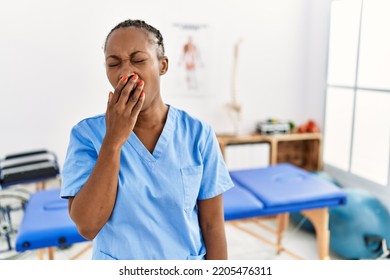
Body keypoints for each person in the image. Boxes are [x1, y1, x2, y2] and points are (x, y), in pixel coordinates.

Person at [60, 19, 234, 260]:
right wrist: (113, 140)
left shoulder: (198, 134)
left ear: (163, 65)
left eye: (138, 60)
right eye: (114, 63)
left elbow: (212, 227)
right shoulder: (86, 135)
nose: (125, 72)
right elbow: (87, 226)